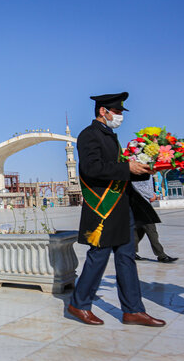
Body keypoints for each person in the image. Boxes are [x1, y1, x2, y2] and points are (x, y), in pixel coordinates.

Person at [67, 92, 166, 327]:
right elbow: (92, 168)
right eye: (118, 111)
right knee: (98, 257)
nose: (120, 116)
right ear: (104, 111)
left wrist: (139, 168)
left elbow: (117, 167)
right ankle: (78, 304)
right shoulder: (89, 135)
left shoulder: (111, 136)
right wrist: (127, 168)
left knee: (126, 257)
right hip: (104, 208)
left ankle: (133, 310)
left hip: (122, 206)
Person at [131, 178, 178, 263]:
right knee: (151, 230)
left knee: (139, 231)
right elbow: (136, 185)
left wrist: (152, 194)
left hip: (142, 204)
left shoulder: (149, 174)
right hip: (141, 205)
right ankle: (161, 255)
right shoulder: (140, 170)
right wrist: (151, 195)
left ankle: (132, 252)